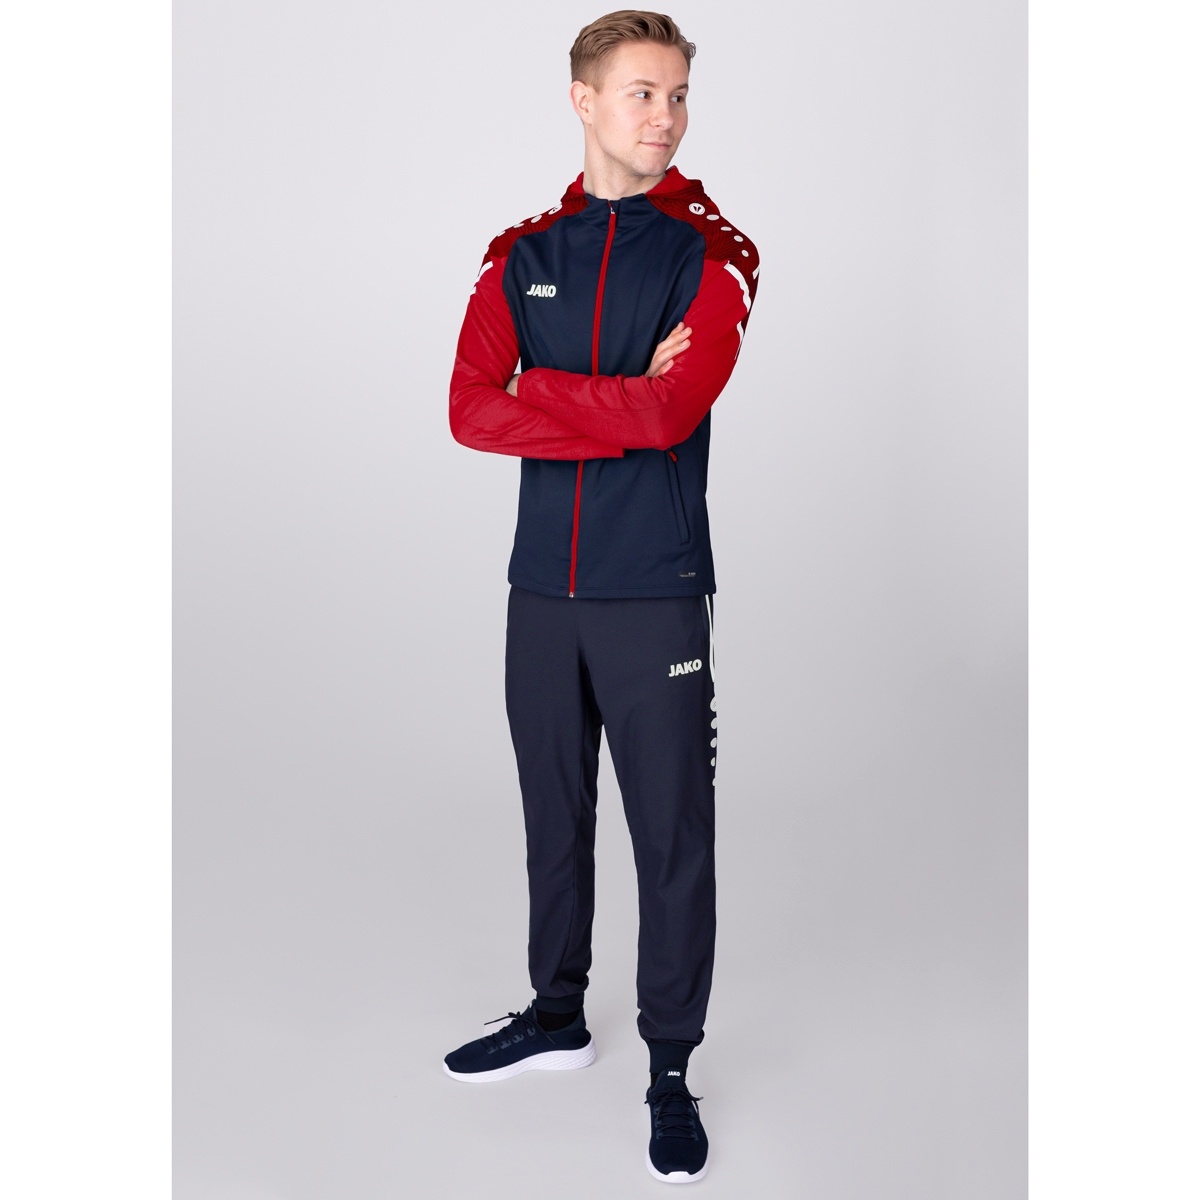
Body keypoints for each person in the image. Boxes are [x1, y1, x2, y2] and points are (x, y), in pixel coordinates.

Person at [443, 10, 759, 1184]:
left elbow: (674, 414)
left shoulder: (712, 255)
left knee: (672, 834)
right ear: (584, 101)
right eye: (642, 93)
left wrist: (543, 387)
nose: (666, 118)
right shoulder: (521, 253)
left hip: (654, 591)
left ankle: (670, 1066)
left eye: (677, 95)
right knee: (554, 812)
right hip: (542, 590)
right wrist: (613, 399)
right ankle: (556, 1013)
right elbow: (468, 409)